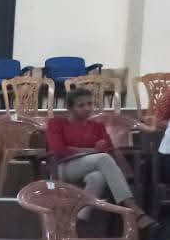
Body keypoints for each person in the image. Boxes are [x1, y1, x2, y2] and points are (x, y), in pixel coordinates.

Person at [46, 87, 158, 229]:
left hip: (90, 167)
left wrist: (80, 150)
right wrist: (93, 150)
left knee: (98, 177)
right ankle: (133, 208)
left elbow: (109, 149)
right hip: (63, 167)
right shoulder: (56, 123)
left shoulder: (97, 126)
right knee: (102, 158)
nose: (87, 108)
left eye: (90, 104)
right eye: (81, 105)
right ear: (70, 108)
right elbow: (59, 150)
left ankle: (74, 222)